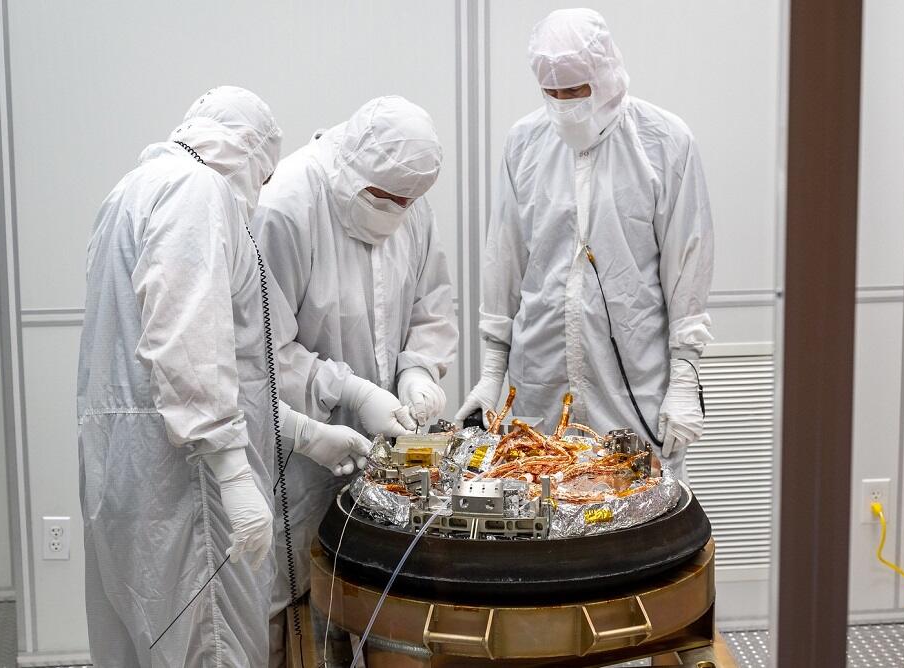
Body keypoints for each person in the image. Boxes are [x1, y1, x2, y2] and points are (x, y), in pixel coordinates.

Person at [77, 86, 370, 668]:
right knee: (209, 648)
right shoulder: (197, 191)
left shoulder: (130, 192)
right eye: (262, 181)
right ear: (250, 159)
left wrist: (308, 434)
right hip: (189, 491)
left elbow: (197, 372)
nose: (259, 198)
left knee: (151, 645)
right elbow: (189, 351)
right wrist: (234, 474)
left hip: (132, 478)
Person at [456, 9, 714, 481]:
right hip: (540, 378)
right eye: (552, 93)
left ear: (607, 75)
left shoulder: (665, 143)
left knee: (638, 515)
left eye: (575, 91)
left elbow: (687, 263)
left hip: (633, 382)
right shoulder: (525, 143)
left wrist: (684, 376)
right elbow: (505, 258)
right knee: (543, 507)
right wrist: (492, 372)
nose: (564, 106)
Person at [249, 94, 457, 589]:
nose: (397, 211)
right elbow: (261, 351)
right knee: (302, 597)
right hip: (301, 451)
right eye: (384, 199)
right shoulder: (287, 206)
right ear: (352, 167)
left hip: (386, 460)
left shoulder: (408, 196)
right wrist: (354, 392)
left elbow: (431, 304)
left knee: (377, 598)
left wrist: (418, 370)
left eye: (407, 202)